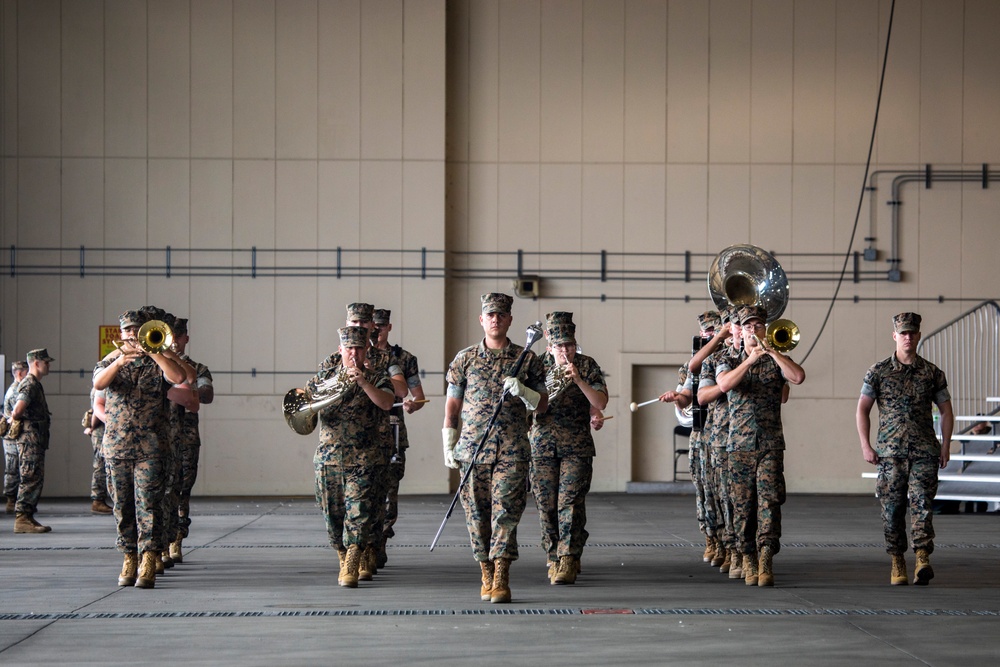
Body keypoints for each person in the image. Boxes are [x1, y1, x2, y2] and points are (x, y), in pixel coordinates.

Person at [443, 292, 548, 603]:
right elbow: (452, 404)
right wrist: (449, 439)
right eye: (490, 314)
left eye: (501, 314)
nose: (495, 319)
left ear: (509, 320)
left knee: (505, 513)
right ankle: (485, 571)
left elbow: (542, 406)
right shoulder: (464, 359)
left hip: (511, 450)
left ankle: (501, 575)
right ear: (481, 319)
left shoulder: (527, 359)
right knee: (476, 515)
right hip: (473, 450)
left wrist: (525, 391)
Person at [857, 312, 953, 586]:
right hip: (890, 453)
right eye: (903, 333)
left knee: (923, 504)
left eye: (912, 332)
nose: (908, 337)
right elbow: (862, 409)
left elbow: (946, 411)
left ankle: (922, 557)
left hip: (924, 451)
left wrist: (945, 445)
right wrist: (866, 445)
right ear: (895, 336)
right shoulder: (878, 372)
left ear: (919, 335)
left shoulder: (932, 373)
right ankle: (897, 560)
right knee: (893, 509)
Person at [93, 310, 187, 589]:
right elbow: (99, 383)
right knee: (123, 507)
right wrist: (121, 359)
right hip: (117, 447)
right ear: (120, 334)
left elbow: (180, 376)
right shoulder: (110, 360)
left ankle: (148, 558)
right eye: (127, 331)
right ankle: (128, 557)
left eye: (137, 329)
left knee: (149, 505)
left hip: (151, 447)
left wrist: (154, 352)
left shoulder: (158, 359)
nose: (132, 334)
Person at [716, 305, 805, 587]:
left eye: (758, 325)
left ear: (765, 328)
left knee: (769, 502)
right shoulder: (727, 359)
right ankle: (748, 558)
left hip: (770, 445)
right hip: (739, 446)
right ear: (739, 331)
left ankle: (766, 558)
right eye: (748, 326)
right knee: (743, 507)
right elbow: (724, 385)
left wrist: (772, 352)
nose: (753, 330)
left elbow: (798, 377)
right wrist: (748, 361)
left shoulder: (776, 360)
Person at [308, 325, 394, 588]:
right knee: (333, 516)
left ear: (366, 349)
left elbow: (387, 403)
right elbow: (306, 411)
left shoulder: (377, 377)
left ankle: (353, 560)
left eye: (358, 348)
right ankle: (344, 555)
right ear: (340, 350)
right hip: (329, 458)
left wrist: (363, 382)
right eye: (348, 348)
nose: (353, 353)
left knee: (358, 513)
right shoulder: (323, 378)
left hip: (364, 459)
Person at [529, 313, 607, 585]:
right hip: (541, 445)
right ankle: (553, 555)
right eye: (560, 346)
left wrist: (579, 381)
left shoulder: (586, 365)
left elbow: (600, 401)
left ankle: (569, 558)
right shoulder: (536, 365)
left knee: (570, 503)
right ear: (549, 345)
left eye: (570, 345)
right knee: (546, 504)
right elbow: (525, 404)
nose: (565, 351)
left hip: (577, 445)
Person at [371, 308, 426, 567]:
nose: (377, 330)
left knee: (389, 489)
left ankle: (380, 539)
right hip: (363, 431)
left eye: (381, 326)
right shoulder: (354, 354)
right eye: (374, 325)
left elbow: (418, 395)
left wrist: (414, 405)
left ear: (389, 327)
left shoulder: (404, 358)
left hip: (392, 429)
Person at [696, 307, 741, 577]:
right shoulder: (713, 358)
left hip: (746, 438)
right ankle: (724, 544)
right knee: (716, 495)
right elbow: (693, 370)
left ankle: (744, 551)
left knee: (744, 500)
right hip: (715, 435)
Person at [169, 317, 214, 563]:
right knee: (161, 491)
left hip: (185, 437)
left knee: (182, 490)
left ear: (186, 338)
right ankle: (158, 543)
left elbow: (207, 394)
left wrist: (188, 391)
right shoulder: (158, 366)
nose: (174, 342)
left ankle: (177, 539)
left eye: (179, 336)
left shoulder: (197, 368)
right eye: (171, 336)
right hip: (159, 438)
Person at [9, 349, 55, 533]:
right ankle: (22, 519)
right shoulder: (29, 384)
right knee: (30, 477)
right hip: (29, 440)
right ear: (36, 363)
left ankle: (27, 516)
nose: (48, 365)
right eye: (46, 362)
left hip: (35, 439)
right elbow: (18, 410)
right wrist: (15, 417)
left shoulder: (34, 383)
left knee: (34, 477)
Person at [3, 360, 29, 514]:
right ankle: (11, 501)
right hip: (12, 438)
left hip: (15, 435)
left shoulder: (17, 389)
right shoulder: (15, 392)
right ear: (19, 373)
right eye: (26, 372)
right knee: (13, 469)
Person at [85, 387, 114, 514]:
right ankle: (98, 500)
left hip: (102, 429)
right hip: (101, 429)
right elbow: (97, 410)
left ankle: (99, 499)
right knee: (100, 464)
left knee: (101, 464)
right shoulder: (102, 386)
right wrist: (92, 427)